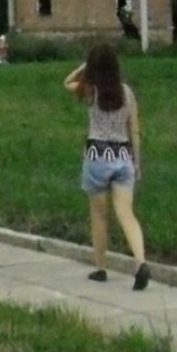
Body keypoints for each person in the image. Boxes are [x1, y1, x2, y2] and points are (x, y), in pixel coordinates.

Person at [64, 42, 150, 289]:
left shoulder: (90, 90)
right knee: (127, 214)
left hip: (97, 155)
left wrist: (82, 68)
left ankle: (100, 268)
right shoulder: (127, 93)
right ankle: (141, 262)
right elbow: (134, 129)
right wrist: (137, 161)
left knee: (100, 217)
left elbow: (66, 83)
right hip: (123, 156)